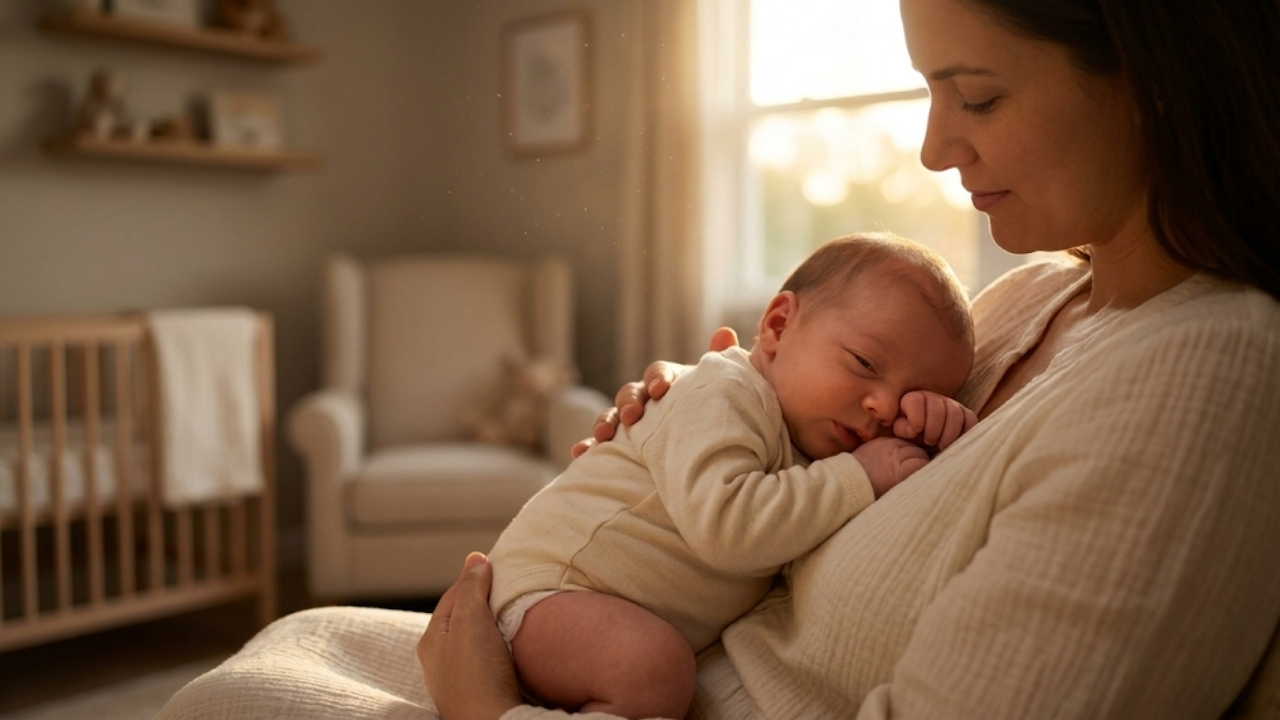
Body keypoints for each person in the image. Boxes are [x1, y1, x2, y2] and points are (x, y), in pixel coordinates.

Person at [418, 0, 1280, 718]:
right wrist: (702, 412)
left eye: (977, 98)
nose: (933, 149)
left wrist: (484, 711)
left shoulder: (1205, 369)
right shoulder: (1031, 297)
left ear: (1156, 84)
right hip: (639, 639)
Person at [486, 233, 976, 719]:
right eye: (865, 363)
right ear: (779, 326)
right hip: (551, 590)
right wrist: (860, 476)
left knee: (655, 670)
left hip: (594, 610)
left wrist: (930, 436)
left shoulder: (809, 446)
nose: (884, 407)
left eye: (911, 397)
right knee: (653, 670)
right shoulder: (725, 393)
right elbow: (728, 527)